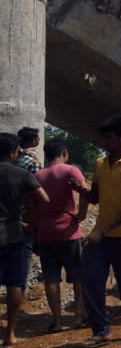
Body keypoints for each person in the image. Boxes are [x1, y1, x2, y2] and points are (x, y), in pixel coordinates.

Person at [70, 115, 121, 348]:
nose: (105, 142)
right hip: (101, 235)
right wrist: (80, 189)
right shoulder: (100, 163)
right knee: (91, 280)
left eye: (109, 138)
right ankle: (100, 331)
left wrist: (100, 230)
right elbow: (96, 197)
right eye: (103, 138)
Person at [0, 133, 49, 348]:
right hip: (13, 233)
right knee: (14, 284)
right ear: (12, 152)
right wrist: (32, 223)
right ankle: (9, 335)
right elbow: (44, 199)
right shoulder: (20, 174)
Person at [35, 142, 89, 332]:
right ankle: (78, 317)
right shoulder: (70, 170)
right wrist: (82, 214)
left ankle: (56, 322)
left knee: (51, 278)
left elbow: (33, 205)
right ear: (64, 153)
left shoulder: (38, 175)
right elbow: (85, 191)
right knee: (78, 276)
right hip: (68, 230)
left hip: (45, 232)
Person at [15, 127, 42, 296]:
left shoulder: (13, 159)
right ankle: (19, 289)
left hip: (10, 215)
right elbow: (39, 194)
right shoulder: (33, 162)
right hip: (26, 215)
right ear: (33, 141)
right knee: (25, 253)